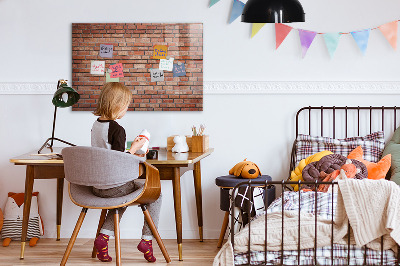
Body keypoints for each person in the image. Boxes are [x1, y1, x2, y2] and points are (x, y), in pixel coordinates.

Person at [91, 82, 161, 263]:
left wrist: (131, 149)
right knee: (156, 194)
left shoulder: (96, 125)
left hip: (97, 186)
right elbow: (119, 161)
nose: (126, 109)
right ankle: (147, 240)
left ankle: (103, 238)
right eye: (126, 105)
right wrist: (136, 148)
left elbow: (108, 154)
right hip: (114, 186)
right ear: (117, 105)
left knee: (121, 197)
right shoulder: (117, 129)